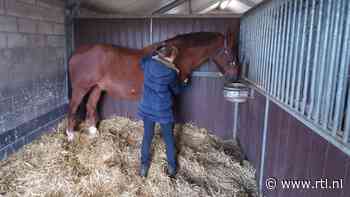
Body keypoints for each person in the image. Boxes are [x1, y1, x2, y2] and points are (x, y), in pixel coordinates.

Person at [138, 45, 185, 178]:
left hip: (147, 107)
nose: (173, 60)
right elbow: (177, 91)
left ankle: (144, 167)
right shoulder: (171, 73)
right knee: (169, 139)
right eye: (173, 57)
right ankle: (171, 168)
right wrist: (184, 82)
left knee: (147, 136)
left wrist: (155, 54)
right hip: (163, 109)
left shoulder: (148, 64)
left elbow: (142, 61)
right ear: (169, 57)